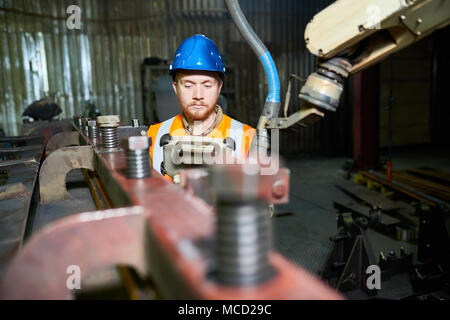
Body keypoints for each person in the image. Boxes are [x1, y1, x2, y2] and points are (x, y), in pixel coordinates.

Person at [147, 34, 255, 180]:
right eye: (188, 85)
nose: (198, 95)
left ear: (219, 88)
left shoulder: (247, 138)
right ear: (175, 88)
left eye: (207, 85)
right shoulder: (154, 136)